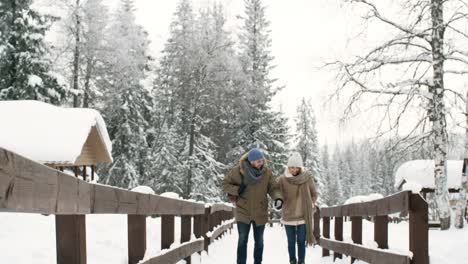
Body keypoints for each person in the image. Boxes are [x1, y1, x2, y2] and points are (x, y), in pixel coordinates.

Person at [223, 148, 283, 264]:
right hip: (243, 211)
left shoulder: (267, 173)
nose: (261, 163)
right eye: (258, 161)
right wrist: (237, 190)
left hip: (260, 211)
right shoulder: (238, 171)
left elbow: (273, 188)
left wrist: (278, 198)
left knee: (259, 242)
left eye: (262, 160)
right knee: (242, 241)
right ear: (251, 161)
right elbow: (225, 184)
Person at [277, 152, 318, 264]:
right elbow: (276, 192)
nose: (294, 170)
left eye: (296, 168)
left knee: (300, 241)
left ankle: (301, 261)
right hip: (288, 216)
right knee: (291, 242)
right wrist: (278, 201)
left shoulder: (307, 178)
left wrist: (311, 203)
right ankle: (292, 261)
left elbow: (314, 193)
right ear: (288, 167)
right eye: (291, 167)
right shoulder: (282, 179)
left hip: (303, 216)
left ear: (300, 168)